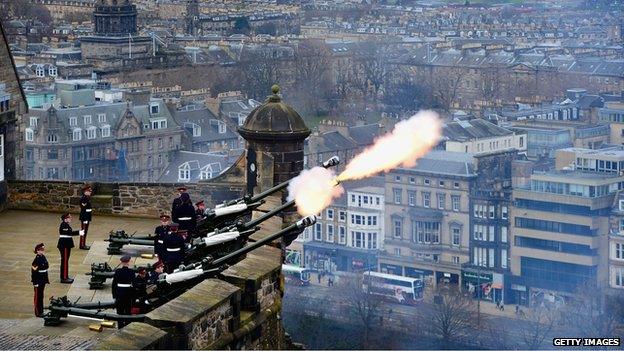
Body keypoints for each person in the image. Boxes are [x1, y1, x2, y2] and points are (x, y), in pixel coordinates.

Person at [57, 213, 82, 283]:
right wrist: (79, 232)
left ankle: (65, 276)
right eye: (69, 217)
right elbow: (69, 233)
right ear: (65, 219)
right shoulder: (63, 225)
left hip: (66, 244)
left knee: (65, 261)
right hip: (64, 245)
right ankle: (64, 278)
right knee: (64, 261)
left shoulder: (66, 224)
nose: (70, 218)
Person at [112, 255, 135, 328]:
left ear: (121, 263)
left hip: (119, 293)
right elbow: (134, 284)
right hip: (128, 293)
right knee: (128, 311)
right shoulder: (131, 272)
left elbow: (114, 284)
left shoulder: (118, 271)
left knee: (120, 312)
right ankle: (127, 326)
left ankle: (120, 326)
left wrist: (114, 295)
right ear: (128, 262)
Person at [31, 243, 49, 317]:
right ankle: (38, 312)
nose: (42, 251)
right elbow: (34, 273)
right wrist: (35, 282)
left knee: (41, 296)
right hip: (38, 280)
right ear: (37, 251)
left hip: (43, 279)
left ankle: (41, 310)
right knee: (37, 297)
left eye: (42, 250)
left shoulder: (43, 257)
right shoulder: (36, 260)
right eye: (40, 250)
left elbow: (47, 266)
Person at [78, 185, 93, 250]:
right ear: (85, 191)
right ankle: (82, 245)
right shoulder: (84, 199)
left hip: (87, 217)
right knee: (83, 231)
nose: (90, 192)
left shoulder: (87, 198)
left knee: (85, 231)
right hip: (85, 217)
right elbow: (84, 208)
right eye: (89, 191)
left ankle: (83, 244)